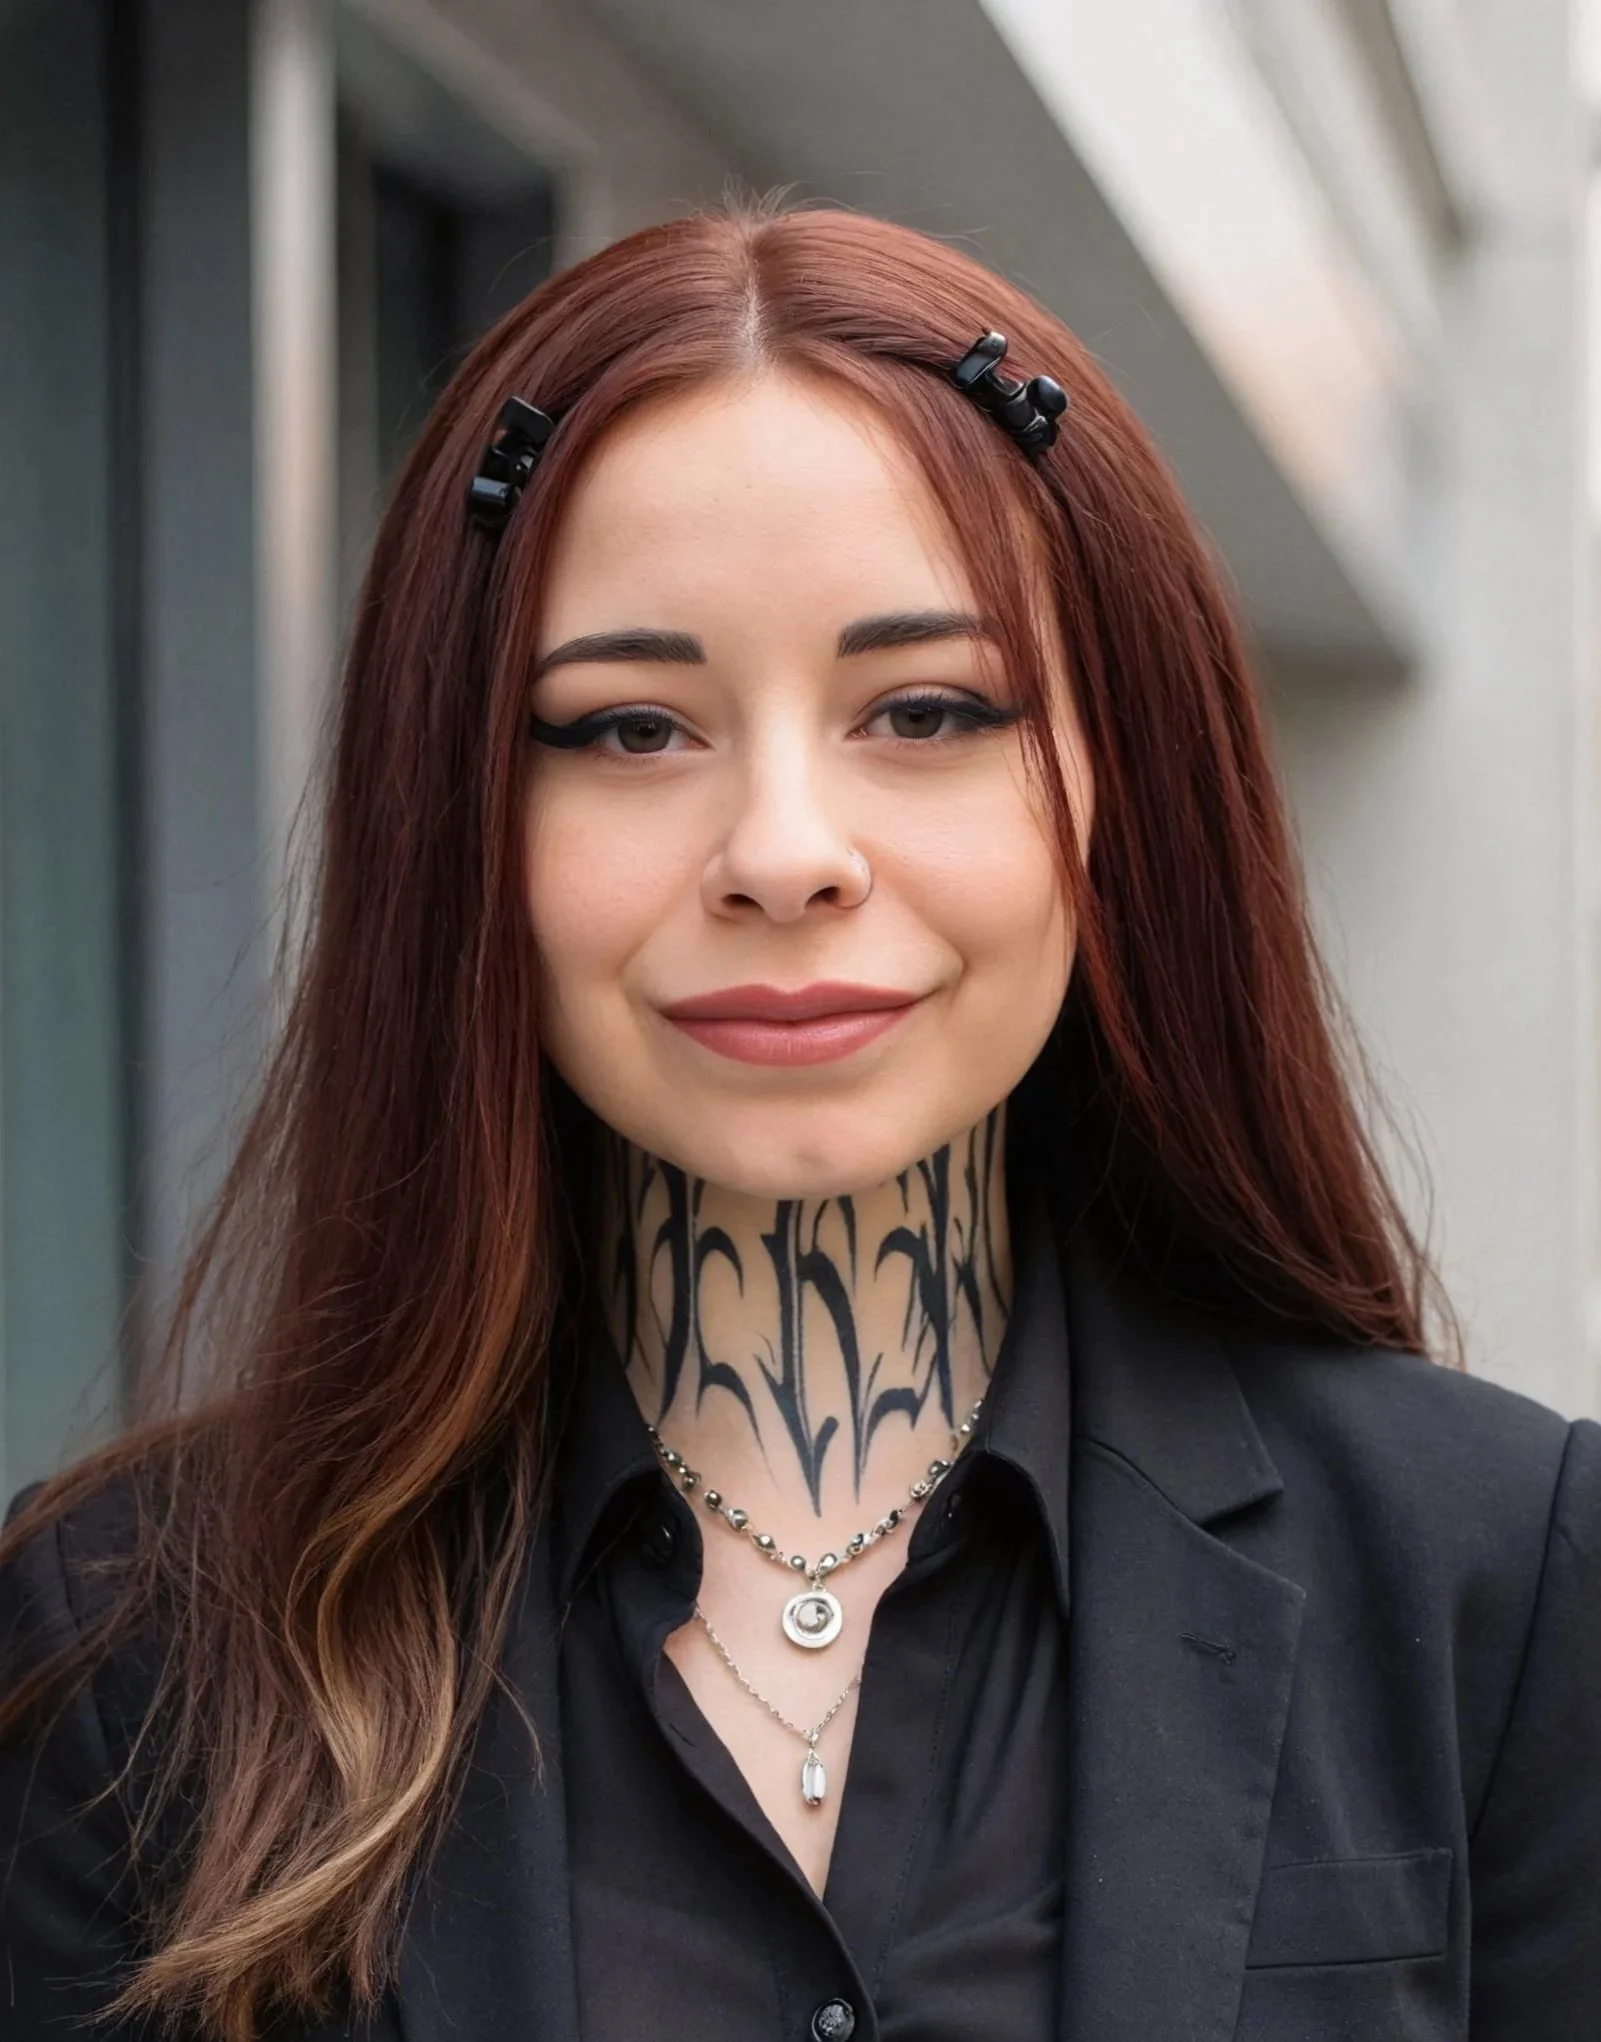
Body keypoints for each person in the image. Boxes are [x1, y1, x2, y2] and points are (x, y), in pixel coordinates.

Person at [2, 198, 1597, 2042]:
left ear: (1120, 792)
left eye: (925, 710)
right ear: (459, 829)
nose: (782, 852)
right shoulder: (132, 1648)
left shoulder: (1492, 1577)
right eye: (628, 729)